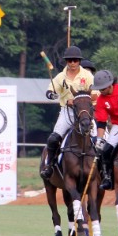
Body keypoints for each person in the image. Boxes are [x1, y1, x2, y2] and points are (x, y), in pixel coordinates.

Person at [40, 45, 94, 179]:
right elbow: (49, 91)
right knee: (53, 138)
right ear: (66, 62)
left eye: (75, 60)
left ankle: (104, 170)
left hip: (84, 112)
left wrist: (77, 100)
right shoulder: (60, 77)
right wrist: (52, 95)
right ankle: (50, 166)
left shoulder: (87, 75)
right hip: (67, 112)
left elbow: (95, 94)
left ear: (79, 61)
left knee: (98, 140)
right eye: (70, 60)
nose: (73, 63)